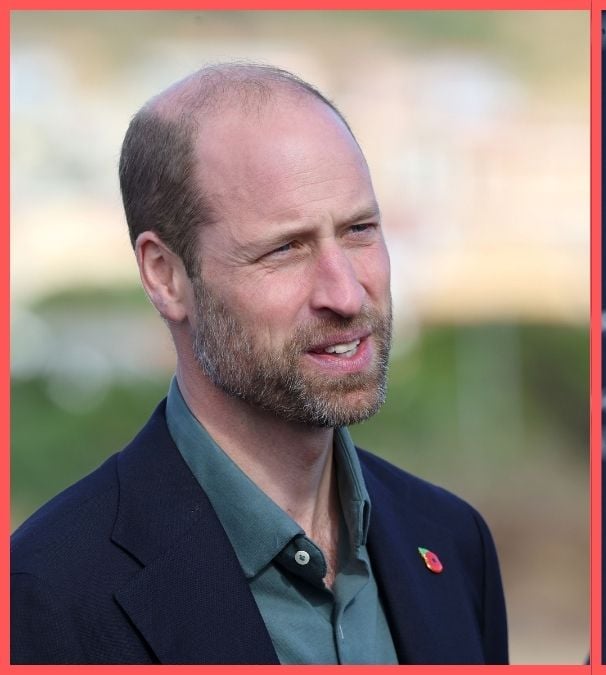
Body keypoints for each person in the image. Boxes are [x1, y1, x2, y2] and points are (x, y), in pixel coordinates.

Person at [11, 63, 508, 665]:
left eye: (359, 230)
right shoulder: (46, 597)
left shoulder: (453, 544)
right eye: (285, 248)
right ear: (166, 276)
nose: (346, 294)